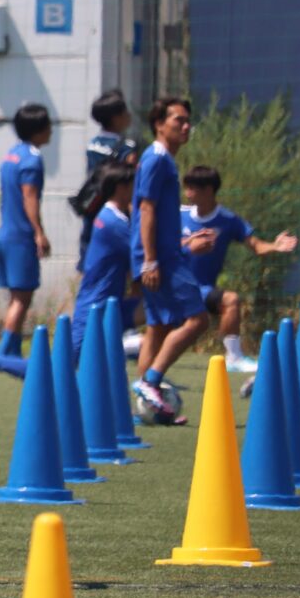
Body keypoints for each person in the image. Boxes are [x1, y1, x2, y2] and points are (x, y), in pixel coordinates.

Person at [0, 163, 141, 382]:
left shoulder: (117, 218)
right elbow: (142, 251)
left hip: (109, 305)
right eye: (133, 185)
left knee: (158, 312)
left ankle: (146, 382)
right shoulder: (111, 221)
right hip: (94, 309)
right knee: (54, 369)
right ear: (120, 188)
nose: (136, 191)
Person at [130, 97, 208, 424]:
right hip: (160, 259)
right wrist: (150, 260)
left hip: (163, 253)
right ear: (160, 124)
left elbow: (158, 215)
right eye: (178, 120)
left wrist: (186, 242)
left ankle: (143, 407)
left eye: (188, 121)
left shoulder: (163, 160)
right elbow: (146, 209)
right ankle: (150, 382)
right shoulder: (157, 159)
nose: (186, 126)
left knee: (159, 327)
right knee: (198, 320)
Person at [180, 165, 298, 372]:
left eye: (191, 189)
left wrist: (275, 245)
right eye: (186, 188)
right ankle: (121, 342)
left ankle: (233, 358)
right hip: (173, 287)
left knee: (231, 300)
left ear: (208, 190)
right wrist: (188, 244)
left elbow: (257, 246)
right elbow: (161, 248)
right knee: (150, 333)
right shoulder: (178, 214)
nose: (186, 194)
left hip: (203, 290)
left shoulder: (228, 220)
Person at [0, 104, 51, 378]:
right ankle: (1, 354)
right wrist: (39, 231)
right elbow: (29, 196)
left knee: (18, 295)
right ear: (38, 129)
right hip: (20, 236)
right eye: (48, 125)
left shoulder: (10, 156)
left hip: (6, 233)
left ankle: (10, 353)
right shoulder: (32, 159)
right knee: (22, 298)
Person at [78, 89, 138, 270]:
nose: (129, 115)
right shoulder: (127, 148)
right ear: (116, 117)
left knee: (89, 255)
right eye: (125, 112)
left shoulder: (93, 144)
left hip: (94, 205)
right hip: (116, 207)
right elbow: (131, 181)